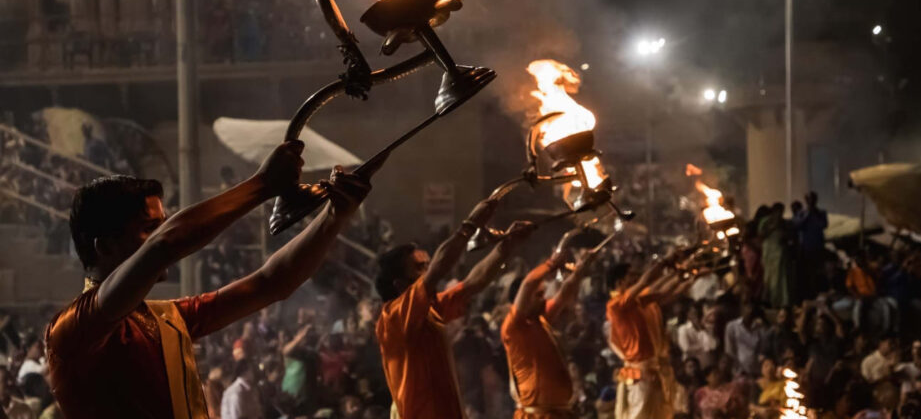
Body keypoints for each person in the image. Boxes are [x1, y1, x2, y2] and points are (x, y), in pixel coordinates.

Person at [46, 142, 371, 419]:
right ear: (104, 247)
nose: (161, 233)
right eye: (149, 227)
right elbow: (165, 246)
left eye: (163, 224)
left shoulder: (167, 318)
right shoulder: (73, 331)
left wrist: (334, 216)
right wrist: (260, 186)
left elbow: (273, 282)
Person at [374, 197, 534, 419]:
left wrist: (507, 246)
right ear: (400, 284)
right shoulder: (394, 317)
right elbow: (440, 268)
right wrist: (470, 225)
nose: (429, 271)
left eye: (428, 266)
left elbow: (471, 284)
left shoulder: (430, 307)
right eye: (420, 268)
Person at [502, 233, 598, 419]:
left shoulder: (541, 320)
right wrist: (550, 263)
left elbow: (564, 294)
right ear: (521, 302)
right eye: (538, 296)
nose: (544, 299)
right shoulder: (514, 327)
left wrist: (581, 268)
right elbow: (528, 284)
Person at [606, 252, 696, 419]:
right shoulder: (615, 306)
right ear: (620, 283)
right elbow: (646, 282)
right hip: (640, 374)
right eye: (631, 276)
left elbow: (664, 293)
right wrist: (665, 261)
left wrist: (684, 274)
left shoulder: (638, 301)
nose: (636, 278)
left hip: (654, 370)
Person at [760, 203, 795, 308]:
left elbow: (789, 235)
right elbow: (761, 234)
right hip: (769, 254)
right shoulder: (766, 221)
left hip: (781, 253)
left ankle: (783, 302)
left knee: (782, 280)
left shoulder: (784, 222)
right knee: (770, 279)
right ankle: (771, 301)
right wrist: (773, 226)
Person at [723, 300, 766, 378]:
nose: (749, 311)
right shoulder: (732, 326)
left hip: (755, 371)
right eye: (747, 308)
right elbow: (729, 350)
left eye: (751, 309)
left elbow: (761, 349)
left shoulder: (759, 328)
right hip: (738, 371)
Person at [675, 301, 717, 370]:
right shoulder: (683, 329)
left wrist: (703, 330)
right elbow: (686, 348)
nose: (696, 316)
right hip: (695, 368)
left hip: (709, 364)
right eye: (693, 313)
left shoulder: (707, 327)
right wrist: (703, 346)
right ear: (688, 315)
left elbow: (713, 345)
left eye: (697, 313)